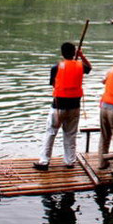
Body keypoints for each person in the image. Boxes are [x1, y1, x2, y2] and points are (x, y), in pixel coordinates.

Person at [34, 42, 92, 171]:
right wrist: (82, 56)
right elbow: (89, 67)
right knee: (70, 134)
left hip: (58, 107)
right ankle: (70, 161)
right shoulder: (80, 66)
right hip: (74, 107)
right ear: (74, 53)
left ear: (62, 53)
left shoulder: (56, 67)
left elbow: (54, 85)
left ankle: (44, 162)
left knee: (50, 133)